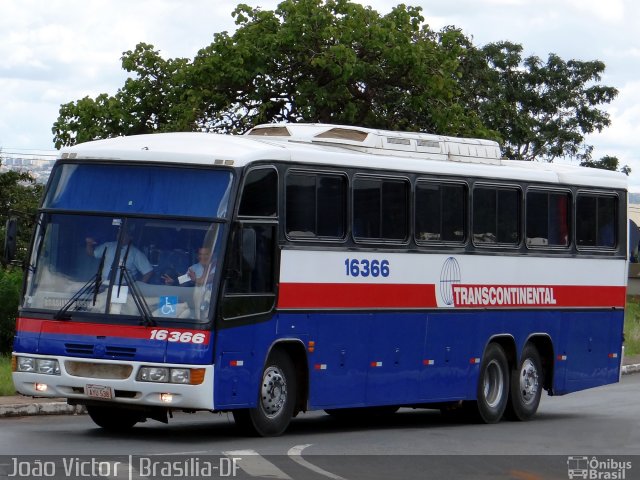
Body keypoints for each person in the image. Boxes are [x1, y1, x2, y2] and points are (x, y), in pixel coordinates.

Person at [86, 228, 153, 283]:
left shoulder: (136, 253)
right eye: (119, 233)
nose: (120, 236)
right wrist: (89, 243)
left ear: (130, 237)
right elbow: (92, 253)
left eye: (124, 234)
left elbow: (148, 272)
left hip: (123, 290)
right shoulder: (108, 246)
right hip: (103, 285)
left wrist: (138, 288)